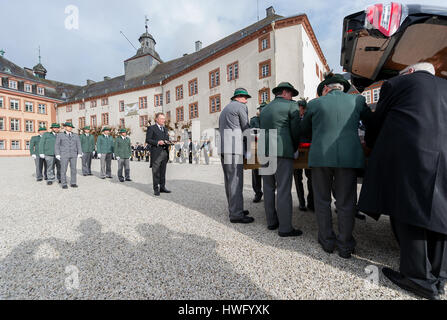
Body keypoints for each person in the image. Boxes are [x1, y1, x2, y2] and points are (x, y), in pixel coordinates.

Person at [358, 62, 447, 300]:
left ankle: (419, 279)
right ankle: (441, 274)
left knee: (409, 210)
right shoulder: (445, 85)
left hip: (412, 154)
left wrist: (371, 143)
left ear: (410, 71)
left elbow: (377, 122)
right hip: (445, 155)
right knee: (441, 211)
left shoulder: (398, 83)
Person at [300, 73, 371, 258]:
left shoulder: (315, 103)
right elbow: (372, 123)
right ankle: (345, 244)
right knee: (346, 201)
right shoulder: (358, 100)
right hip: (349, 157)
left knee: (322, 200)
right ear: (342, 88)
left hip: (321, 157)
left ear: (325, 88)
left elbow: (304, 131)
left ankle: (327, 241)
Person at [260, 82, 301, 237]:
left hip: (265, 150)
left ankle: (271, 222)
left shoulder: (265, 109)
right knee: (283, 189)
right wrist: (294, 147)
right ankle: (285, 228)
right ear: (285, 92)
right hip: (282, 149)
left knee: (268, 187)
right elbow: (296, 130)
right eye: (291, 94)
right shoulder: (291, 106)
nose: (292, 97)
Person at [219, 88, 253, 224]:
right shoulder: (241, 106)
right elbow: (246, 128)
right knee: (236, 180)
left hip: (224, 147)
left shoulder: (225, 109)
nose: (246, 100)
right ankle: (236, 214)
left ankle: (234, 208)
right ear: (239, 97)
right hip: (234, 148)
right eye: (245, 98)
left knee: (229, 180)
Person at [293, 99, 314, 212]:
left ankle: (311, 201)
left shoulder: (309, 117)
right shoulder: (293, 118)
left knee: (310, 178)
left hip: (308, 151)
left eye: (299, 108)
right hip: (296, 151)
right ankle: (301, 202)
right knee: (297, 178)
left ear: (303, 108)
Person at [146, 113, 171, 196]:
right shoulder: (151, 128)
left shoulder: (165, 129)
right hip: (156, 153)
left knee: (163, 171)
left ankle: (162, 187)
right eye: (161, 118)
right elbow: (148, 140)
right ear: (156, 119)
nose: (163, 120)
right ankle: (156, 189)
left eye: (164, 119)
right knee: (156, 172)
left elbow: (166, 139)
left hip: (165, 153)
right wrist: (157, 142)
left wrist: (169, 142)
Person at [55, 122, 83, 189]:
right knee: (63, 169)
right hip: (64, 154)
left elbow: (78, 144)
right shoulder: (60, 135)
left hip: (73, 154)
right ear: (65, 127)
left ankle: (73, 182)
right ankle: (64, 183)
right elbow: (57, 145)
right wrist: (57, 154)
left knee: (73, 169)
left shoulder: (75, 135)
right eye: (68, 127)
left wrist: (80, 152)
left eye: (71, 127)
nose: (70, 128)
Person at [249, 102, 266, 203]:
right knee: (256, 171)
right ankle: (258, 193)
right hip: (256, 148)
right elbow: (250, 134)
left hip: (267, 148)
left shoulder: (270, 119)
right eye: (261, 110)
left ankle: (269, 193)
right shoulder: (254, 120)